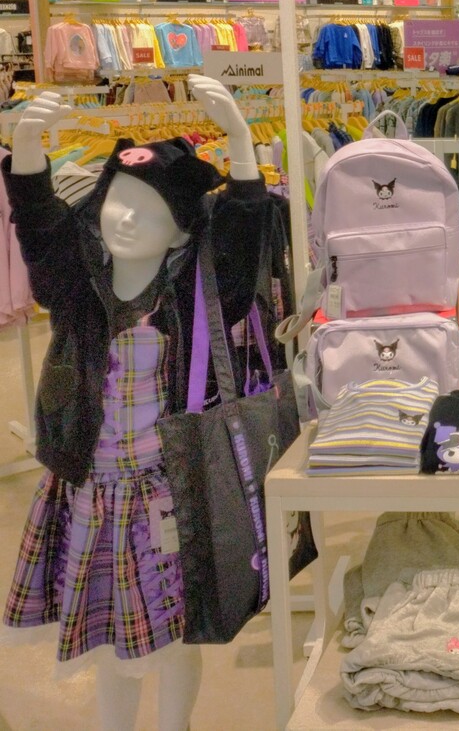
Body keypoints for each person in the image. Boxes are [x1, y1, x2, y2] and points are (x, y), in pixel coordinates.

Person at [1, 75, 270, 731]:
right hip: (89, 488)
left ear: (180, 234)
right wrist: (28, 153)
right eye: (116, 202)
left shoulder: (195, 293)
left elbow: (241, 249)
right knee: (107, 637)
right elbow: (40, 229)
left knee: (177, 634)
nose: (124, 218)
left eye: (147, 212)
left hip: (168, 492)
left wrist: (241, 145)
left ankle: (175, 725)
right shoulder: (76, 284)